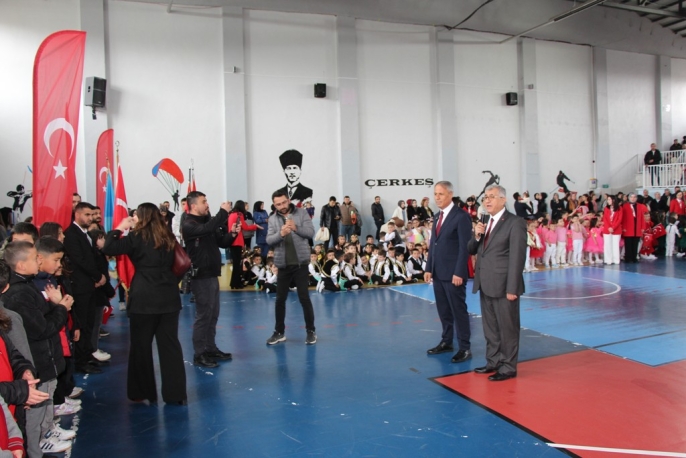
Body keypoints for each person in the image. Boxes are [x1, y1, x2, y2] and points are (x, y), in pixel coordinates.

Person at [102, 203, 187, 405]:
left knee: (141, 346)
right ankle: (175, 394)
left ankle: (142, 391)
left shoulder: (135, 237)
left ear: (141, 217)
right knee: (170, 346)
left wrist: (120, 227)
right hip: (168, 295)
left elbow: (108, 247)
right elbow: (181, 263)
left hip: (144, 297)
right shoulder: (168, 237)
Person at [468, 184, 527, 381]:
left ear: (503, 199)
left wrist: (513, 287)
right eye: (485, 197)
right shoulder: (484, 221)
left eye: (492, 196)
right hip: (485, 282)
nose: (487, 200)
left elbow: (517, 257)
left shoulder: (515, 222)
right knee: (490, 327)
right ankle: (493, 361)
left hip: (504, 285)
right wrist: (476, 235)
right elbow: (471, 249)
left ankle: (508, 366)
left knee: (508, 327)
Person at [181, 192, 235, 368]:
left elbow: (221, 242)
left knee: (213, 314)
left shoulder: (207, 223)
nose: (207, 204)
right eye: (204, 202)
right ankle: (199, 353)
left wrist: (232, 234)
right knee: (204, 315)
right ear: (193, 206)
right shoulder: (189, 224)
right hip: (201, 275)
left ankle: (210, 348)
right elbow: (207, 229)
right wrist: (223, 212)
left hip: (212, 273)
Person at [424, 181, 472, 364]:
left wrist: (459, 272)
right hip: (438, 272)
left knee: (458, 310)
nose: (437, 197)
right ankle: (447, 341)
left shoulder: (461, 217)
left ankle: (465, 347)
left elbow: (464, 247)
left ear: (450, 194)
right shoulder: (437, 216)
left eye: (441, 194)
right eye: (435, 194)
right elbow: (433, 244)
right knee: (443, 310)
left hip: (454, 274)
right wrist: (429, 268)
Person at [265, 189, 316, 344]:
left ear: (288, 200)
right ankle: (279, 332)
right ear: (274, 205)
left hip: (300, 263)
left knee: (304, 298)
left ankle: (311, 331)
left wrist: (296, 228)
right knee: (280, 300)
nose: (282, 206)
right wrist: (280, 234)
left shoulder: (302, 213)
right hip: (283, 264)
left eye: (283, 202)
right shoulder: (272, 219)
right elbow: (269, 240)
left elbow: (310, 233)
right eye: (278, 204)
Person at [63, 203, 107, 374]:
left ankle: (88, 355)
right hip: (80, 286)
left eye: (92, 215)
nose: (91, 218)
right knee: (81, 325)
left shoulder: (85, 233)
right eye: (87, 215)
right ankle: (81, 361)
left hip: (89, 286)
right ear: (77, 214)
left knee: (89, 323)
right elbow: (80, 260)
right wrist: (97, 276)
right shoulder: (71, 234)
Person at [227, 201, 261, 289]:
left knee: (235, 263)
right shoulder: (239, 215)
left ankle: (234, 283)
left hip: (231, 240)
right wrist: (255, 226)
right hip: (237, 241)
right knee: (238, 263)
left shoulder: (231, 214)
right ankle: (237, 283)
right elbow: (245, 227)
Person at [621, 193, 648, 264]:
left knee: (635, 243)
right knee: (628, 244)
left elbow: (642, 217)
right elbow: (623, 218)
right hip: (628, 228)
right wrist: (623, 227)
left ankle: (634, 257)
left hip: (637, 228)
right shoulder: (625, 206)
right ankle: (628, 258)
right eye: (631, 197)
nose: (633, 199)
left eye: (634, 197)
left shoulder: (640, 206)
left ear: (636, 198)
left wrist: (643, 227)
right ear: (629, 198)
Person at [602, 195, 623, 265]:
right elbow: (605, 219)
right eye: (608, 199)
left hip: (616, 229)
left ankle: (616, 260)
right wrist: (608, 227)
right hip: (607, 229)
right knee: (607, 245)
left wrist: (613, 227)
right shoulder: (606, 208)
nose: (608, 201)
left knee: (615, 245)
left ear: (613, 200)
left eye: (609, 199)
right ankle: (608, 259)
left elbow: (619, 219)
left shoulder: (619, 208)